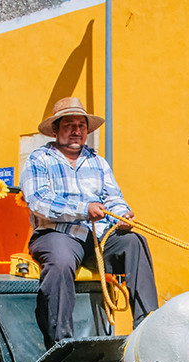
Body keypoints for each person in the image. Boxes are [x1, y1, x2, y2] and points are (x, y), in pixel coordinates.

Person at [21, 96, 158, 347]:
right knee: (61, 261)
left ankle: (147, 330)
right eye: (69, 125)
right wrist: (83, 209)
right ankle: (62, 345)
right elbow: (38, 200)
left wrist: (123, 215)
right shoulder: (39, 159)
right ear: (56, 129)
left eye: (81, 126)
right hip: (57, 234)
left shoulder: (97, 161)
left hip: (97, 237)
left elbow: (114, 197)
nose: (76, 131)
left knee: (134, 242)